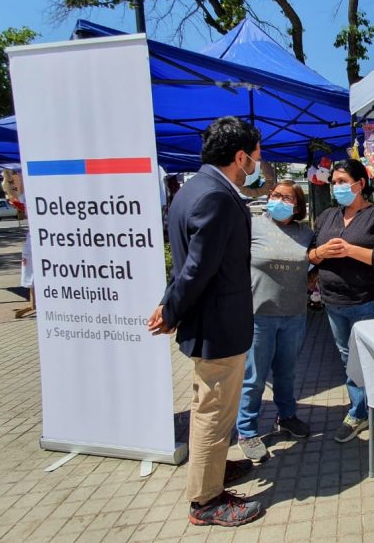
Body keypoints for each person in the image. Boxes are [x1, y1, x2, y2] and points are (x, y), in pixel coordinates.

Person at [147, 116, 264, 527]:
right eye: (257, 153)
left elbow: (185, 263)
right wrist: (172, 309)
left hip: (210, 323)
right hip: (218, 327)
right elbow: (196, 268)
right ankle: (206, 501)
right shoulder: (216, 195)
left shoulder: (192, 189)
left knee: (207, 406)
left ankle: (211, 469)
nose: (258, 162)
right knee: (214, 411)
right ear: (240, 156)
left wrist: (168, 303)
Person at [309, 159, 374, 445]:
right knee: (349, 360)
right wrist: (321, 252)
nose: (336, 187)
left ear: (359, 184)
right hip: (334, 302)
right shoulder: (327, 217)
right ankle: (358, 411)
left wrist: (350, 250)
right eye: (334, 182)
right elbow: (310, 255)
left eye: (342, 181)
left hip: (368, 301)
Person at [235, 180, 314, 462]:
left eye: (287, 197)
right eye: (276, 195)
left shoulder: (305, 233)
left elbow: (315, 263)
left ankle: (287, 416)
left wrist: (306, 284)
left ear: (297, 205)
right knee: (254, 377)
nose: (279, 200)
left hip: (294, 314)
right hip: (259, 315)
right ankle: (246, 429)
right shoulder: (253, 226)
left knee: (287, 372)